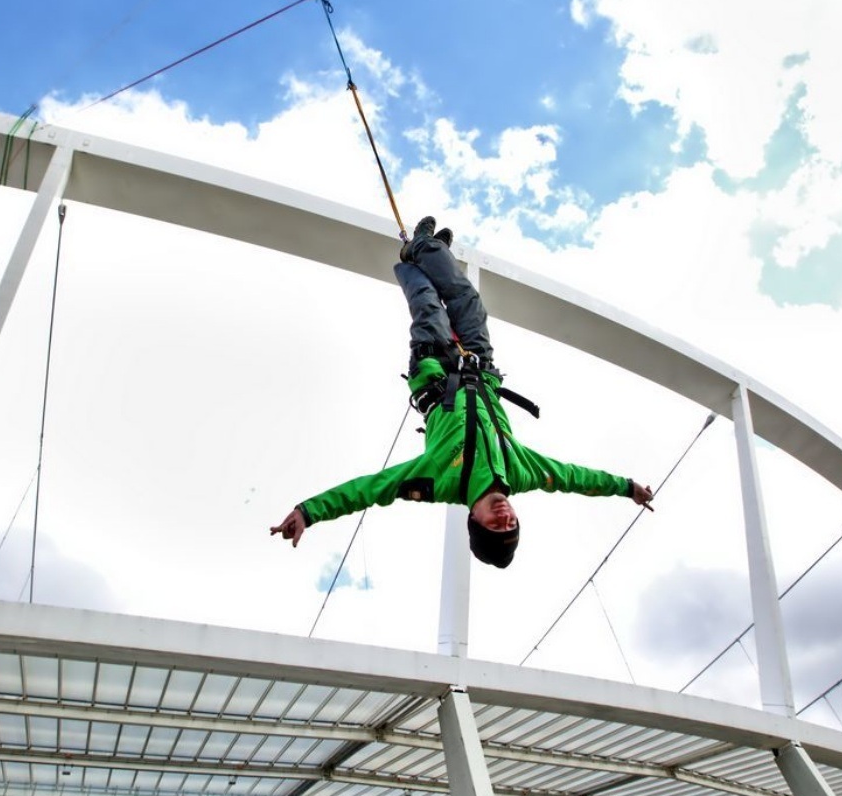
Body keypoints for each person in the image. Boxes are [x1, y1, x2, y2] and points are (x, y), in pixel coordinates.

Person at [271, 217, 653, 568]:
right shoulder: (524, 472)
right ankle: (428, 250)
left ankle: (422, 256)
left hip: (434, 369)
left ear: (475, 520)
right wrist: (626, 488)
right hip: (479, 367)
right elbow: (577, 478)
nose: (504, 518)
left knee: (427, 304)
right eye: (511, 525)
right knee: (468, 301)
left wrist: (310, 511)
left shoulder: (437, 482)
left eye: (496, 527)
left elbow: (371, 489)